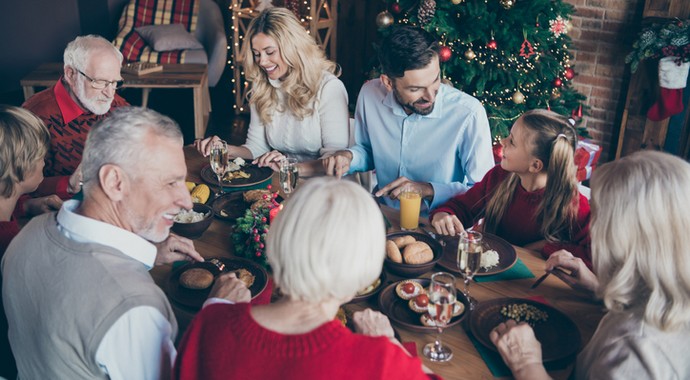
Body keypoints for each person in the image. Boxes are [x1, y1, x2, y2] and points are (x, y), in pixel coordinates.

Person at [1, 107, 248, 380]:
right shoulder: (134, 310)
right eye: (170, 182)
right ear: (114, 182)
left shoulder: (26, 236)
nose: (186, 201)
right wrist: (217, 315)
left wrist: (145, 256)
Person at [173, 177, 440, 380]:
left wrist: (217, 307)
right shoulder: (379, 361)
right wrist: (391, 344)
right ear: (363, 266)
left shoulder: (212, 322)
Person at [490, 150, 690, 379]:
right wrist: (597, 288)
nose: (594, 228)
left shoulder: (637, 353)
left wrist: (525, 363)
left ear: (630, 238)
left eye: (602, 217)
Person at [323, 25, 494, 212]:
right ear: (387, 82)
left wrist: (427, 189)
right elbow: (368, 150)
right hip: (386, 215)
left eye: (435, 80)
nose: (431, 96)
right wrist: (349, 157)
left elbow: (483, 191)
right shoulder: (370, 95)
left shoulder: (468, 114)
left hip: (440, 224)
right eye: (416, 89)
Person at [195, 7, 349, 177]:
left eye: (270, 52)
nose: (262, 61)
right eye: (256, 54)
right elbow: (256, 148)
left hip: (326, 184)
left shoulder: (329, 88)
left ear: (292, 47)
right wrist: (223, 148)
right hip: (286, 179)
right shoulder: (262, 86)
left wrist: (288, 168)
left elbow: (334, 161)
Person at [429, 109, 590, 266]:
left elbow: (593, 256)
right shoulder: (499, 176)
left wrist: (544, 247)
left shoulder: (574, 205)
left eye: (512, 141)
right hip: (488, 275)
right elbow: (462, 207)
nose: (502, 141)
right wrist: (444, 214)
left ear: (535, 165)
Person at [0, 105, 66, 379]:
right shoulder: (13, 247)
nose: (44, 163)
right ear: (18, 168)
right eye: (40, 157)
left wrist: (26, 205)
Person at [22, 34, 129, 198]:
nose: (109, 94)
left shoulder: (118, 106)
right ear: (71, 74)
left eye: (115, 83)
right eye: (99, 82)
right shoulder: (33, 117)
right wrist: (69, 184)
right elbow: (15, 186)